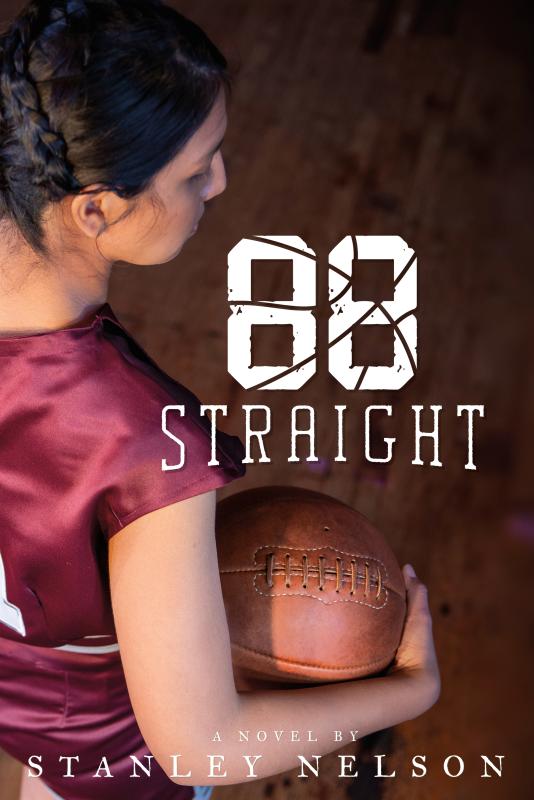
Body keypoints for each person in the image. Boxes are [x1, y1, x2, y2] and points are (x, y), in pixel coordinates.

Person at [0, 2, 441, 799]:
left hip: (34, 716)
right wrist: (412, 689)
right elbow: (198, 749)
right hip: (112, 774)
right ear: (96, 206)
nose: (222, 182)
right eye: (197, 169)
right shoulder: (141, 442)